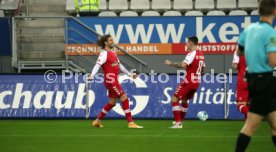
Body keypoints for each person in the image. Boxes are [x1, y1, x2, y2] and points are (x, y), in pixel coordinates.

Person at [235, 0, 276, 151]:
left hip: (253, 79)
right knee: (251, 126)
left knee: (275, 125)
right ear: (274, 11)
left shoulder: (249, 30)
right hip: (265, 80)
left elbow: (239, 52)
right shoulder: (271, 33)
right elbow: (273, 62)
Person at [88, 34, 143, 129]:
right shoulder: (104, 53)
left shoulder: (113, 52)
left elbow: (120, 66)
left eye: (112, 40)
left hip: (114, 80)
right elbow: (97, 64)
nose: (112, 41)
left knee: (112, 102)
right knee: (124, 98)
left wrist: (129, 74)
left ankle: (97, 121)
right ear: (106, 42)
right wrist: (92, 75)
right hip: (111, 81)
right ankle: (130, 123)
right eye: (110, 40)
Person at [164, 36, 205, 129]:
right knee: (185, 100)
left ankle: (178, 123)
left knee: (174, 99)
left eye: (187, 42)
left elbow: (182, 65)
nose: (186, 44)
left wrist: (170, 63)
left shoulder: (191, 54)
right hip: (196, 81)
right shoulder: (201, 54)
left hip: (189, 80)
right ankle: (180, 121)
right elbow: (202, 69)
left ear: (191, 43)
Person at [232, 51, 249, 120]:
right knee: (249, 104)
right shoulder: (257, 49)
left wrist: (234, 64)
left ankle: (250, 115)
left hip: (243, 81)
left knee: (240, 104)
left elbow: (235, 66)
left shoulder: (238, 51)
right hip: (255, 80)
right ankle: (248, 126)